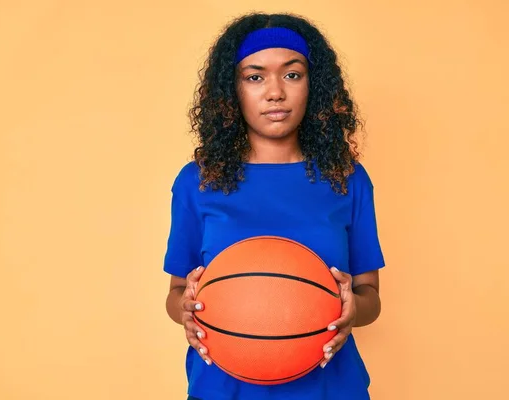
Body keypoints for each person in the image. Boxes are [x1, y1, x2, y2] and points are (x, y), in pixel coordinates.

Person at [163, 12, 385, 400]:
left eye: (292, 74)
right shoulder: (197, 181)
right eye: (255, 76)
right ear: (233, 90)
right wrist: (183, 308)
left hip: (331, 389)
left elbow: (369, 296)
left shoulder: (346, 178)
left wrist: (353, 309)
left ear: (312, 85)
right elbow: (178, 290)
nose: (275, 92)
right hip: (221, 388)